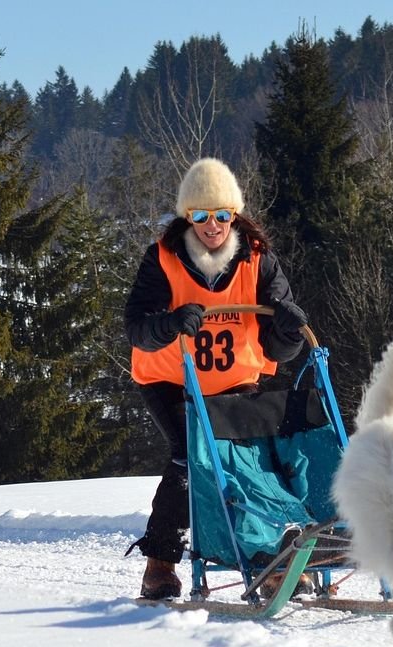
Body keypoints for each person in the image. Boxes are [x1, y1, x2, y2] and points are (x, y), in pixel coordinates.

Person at [124, 157, 309, 599]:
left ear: (235, 215)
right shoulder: (163, 258)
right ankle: (160, 563)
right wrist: (170, 323)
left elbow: (278, 346)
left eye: (222, 215)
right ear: (187, 216)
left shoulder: (258, 260)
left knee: (247, 460)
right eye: (202, 215)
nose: (213, 225)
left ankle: (268, 557)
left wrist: (288, 332)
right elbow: (137, 327)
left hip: (233, 380)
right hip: (171, 378)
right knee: (190, 455)